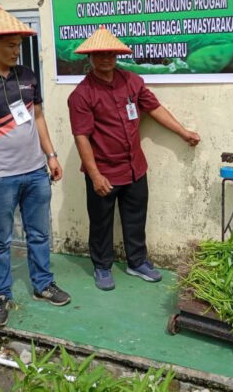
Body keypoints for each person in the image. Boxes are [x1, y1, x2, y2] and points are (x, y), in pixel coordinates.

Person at [0, 7, 70, 327]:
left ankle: (43, 284)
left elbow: (38, 117)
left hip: (35, 171)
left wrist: (51, 155)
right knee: (1, 239)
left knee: (38, 232)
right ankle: (0, 294)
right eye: (9, 45)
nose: (16, 51)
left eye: (18, 45)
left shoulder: (27, 76)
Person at [67, 26, 200, 291]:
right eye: (100, 54)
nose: (107, 59)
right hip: (103, 170)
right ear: (90, 58)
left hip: (134, 167)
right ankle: (102, 266)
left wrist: (183, 132)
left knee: (136, 217)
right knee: (101, 223)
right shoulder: (81, 95)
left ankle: (137, 261)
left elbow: (154, 108)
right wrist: (95, 175)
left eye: (112, 54)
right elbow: (81, 137)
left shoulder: (132, 81)